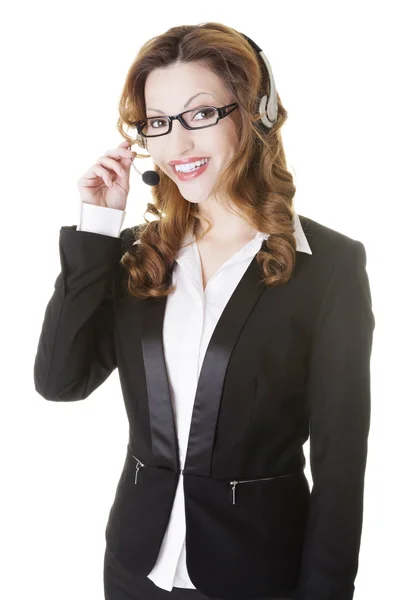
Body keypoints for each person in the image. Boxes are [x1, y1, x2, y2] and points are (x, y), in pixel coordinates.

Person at [33, 21, 375, 600]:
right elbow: (60, 381)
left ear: (255, 111)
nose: (176, 146)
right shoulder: (138, 256)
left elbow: (342, 470)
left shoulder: (330, 267)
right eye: (158, 123)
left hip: (259, 576)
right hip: (135, 568)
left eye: (199, 115)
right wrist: (96, 227)